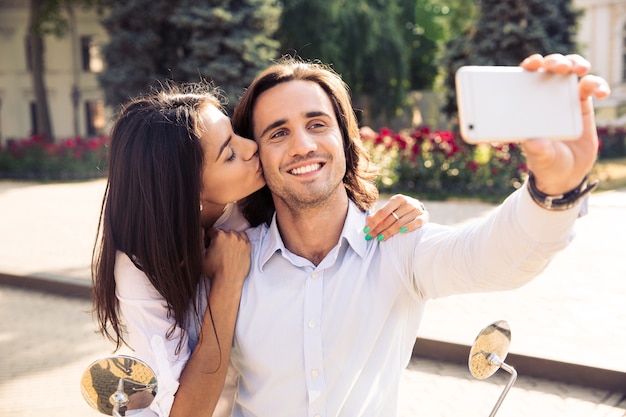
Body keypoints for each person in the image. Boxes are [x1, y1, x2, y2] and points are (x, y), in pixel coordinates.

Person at [225, 53, 610, 416]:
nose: (303, 146)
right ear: (255, 154)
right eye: (278, 133)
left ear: (345, 137)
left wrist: (555, 189)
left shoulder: (399, 242)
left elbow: (496, 257)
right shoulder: (230, 260)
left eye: (317, 124)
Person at [91, 82, 429, 417]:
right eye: (230, 153)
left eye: (236, 135)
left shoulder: (251, 208)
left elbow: (332, 201)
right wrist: (226, 283)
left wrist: (404, 211)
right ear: (190, 189)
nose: (252, 147)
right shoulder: (141, 267)